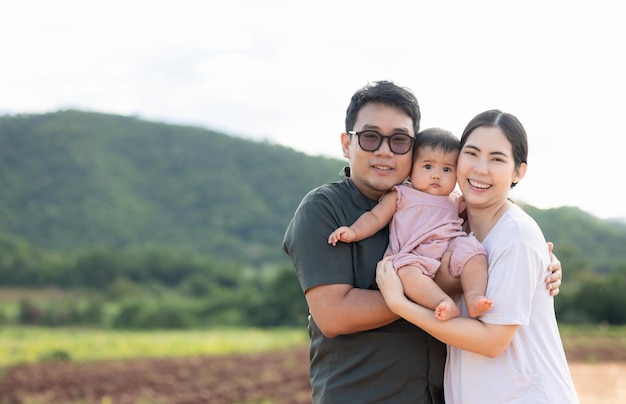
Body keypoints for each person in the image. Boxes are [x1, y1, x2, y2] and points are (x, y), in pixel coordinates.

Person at [282, 81, 563, 403]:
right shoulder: (325, 209)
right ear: (347, 144)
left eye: (399, 140)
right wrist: (441, 286)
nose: (385, 150)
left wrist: (542, 263)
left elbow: (498, 238)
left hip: (438, 394)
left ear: (414, 149)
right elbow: (333, 315)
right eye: (371, 137)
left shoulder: (442, 205)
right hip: (363, 394)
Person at [376, 109, 579, 403]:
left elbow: (491, 341)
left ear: (518, 171)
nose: (480, 169)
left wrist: (399, 304)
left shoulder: (517, 235)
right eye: (471, 153)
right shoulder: (452, 226)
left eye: (497, 159)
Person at [328, 127, 492, 321]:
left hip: (450, 248)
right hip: (414, 256)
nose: (436, 175)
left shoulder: (455, 200)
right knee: (405, 274)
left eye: (447, 169)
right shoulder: (401, 194)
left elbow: (486, 210)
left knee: (474, 252)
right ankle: (442, 301)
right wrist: (354, 231)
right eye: (428, 167)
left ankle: (474, 297)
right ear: (411, 167)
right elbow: (375, 218)